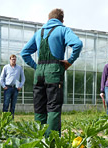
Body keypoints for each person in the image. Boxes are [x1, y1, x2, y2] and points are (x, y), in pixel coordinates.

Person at [21, 8, 82, 136]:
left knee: (39, 107)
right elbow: (77, 44)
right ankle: (52, 143)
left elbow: (24, 53)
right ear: (62, 20)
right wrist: (69, 61)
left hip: (39, 74)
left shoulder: (39, 32)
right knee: (53, 107)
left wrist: (36, 66)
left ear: (48, 19)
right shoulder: (63, 30)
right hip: (54, 72)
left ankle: (40, 141)